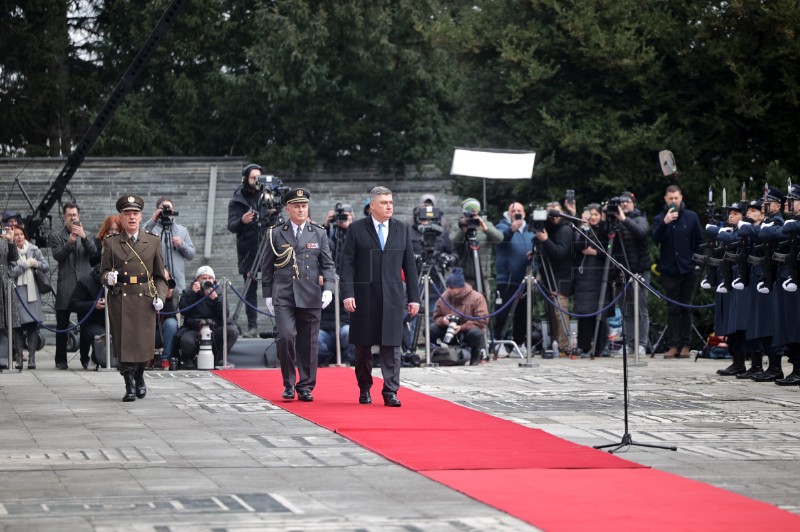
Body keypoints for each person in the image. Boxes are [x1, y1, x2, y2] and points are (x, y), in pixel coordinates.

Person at [340, 186, 420, 407]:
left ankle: (390, 391)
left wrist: (414, 298)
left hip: (393, 298)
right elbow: (346, 265)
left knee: (392, 346)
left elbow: (410, 266)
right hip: (364, 297)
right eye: (384, 203)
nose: (389, 206)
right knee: (363, 347)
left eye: (391, 202)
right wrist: (348, 293)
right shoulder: (356, 229)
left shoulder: (402, 229)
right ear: (372, 205)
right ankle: (364, 388)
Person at [262, 188, 335, 402]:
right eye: (296, 206)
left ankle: (305, 385)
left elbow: (328, 265)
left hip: (311, 293)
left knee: (309, 343)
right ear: (288, 208)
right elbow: (267, 268)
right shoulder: (275, 233)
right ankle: (288, 382)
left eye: (304, 206)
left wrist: (329, 288)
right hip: (284, 294)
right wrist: (268, 294)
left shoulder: (318, 232)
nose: (301, 209)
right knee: (286, 337)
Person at [102, 195, 168, 402]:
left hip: (144, 298)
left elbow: (160, 275)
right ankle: (129, 384)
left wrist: (160, 296)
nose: (131, 217)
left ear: (141, 217)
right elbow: (103, 272)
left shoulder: (153, 241)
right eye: (127, 213)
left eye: (135, 213)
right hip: (121, 297)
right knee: (124, 343)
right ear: (121, 218)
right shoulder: (111, 242)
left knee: (142, 343)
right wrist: (108, 278)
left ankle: (140, 377)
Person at [652, 185, 703, 358]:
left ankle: (686, 345)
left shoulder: (691, 217)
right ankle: (673, 345)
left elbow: (699, 242)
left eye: (676, 198)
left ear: (681, 198)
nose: (674, 201)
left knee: (686, 307)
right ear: (666, 199)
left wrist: (697, 265)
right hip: (669, 270)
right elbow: (655, 239)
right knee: (672, 308)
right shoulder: (660, 218)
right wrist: (665, 222)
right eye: (670, 198)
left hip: (689, 269)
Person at [49, 202, 98, 369]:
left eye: (75, 215)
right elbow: (58, 256)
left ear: (79, 216)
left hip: (84, 287)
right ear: (64, 217)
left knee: (85, 325)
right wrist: (70, 242)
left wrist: (83, 237)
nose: (72, 218)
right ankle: (60, 360)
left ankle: (85, 358)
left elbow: (93, 253)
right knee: (62, 325)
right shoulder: (57, 236)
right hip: (66, 285)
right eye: (69, 215)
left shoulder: (88, 235)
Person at [69, 215, 121, 369]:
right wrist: (94, 305)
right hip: (92, 318)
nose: (113, 233)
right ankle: (89, 357)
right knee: (95, 333)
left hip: (113, 317)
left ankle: (105, 357)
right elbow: (74, 303)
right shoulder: (87, 280)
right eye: (110, 230)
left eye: (116, 230)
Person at [608, 191, 651, 356]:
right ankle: (629, 343)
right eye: (622, 202)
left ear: (634, 204)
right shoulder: (615, 221)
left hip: (639, 270)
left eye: (628, 201)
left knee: (640, 308)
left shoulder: (639, 218)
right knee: (626, 309)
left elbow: (641, 233)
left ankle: (642, 343)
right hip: (621, 272)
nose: (625, 204)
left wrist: (624, 219)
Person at [228, 163, 266, 337]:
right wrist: (242, 220)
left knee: (274, 285)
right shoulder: (237, 200)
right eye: (253, 177)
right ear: (245, 179)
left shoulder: (267, 196)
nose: (256, 181)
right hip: (248, 249)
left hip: (267, 246)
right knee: (250, 288)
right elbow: (231, 226)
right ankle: (253, 326)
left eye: (258, 177)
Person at [494, 201, 535, 354]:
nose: (517, 213)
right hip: (507, 278)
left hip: (525, 278)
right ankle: (499, 342)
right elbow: (501, 239)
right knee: (503, 313)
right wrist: (512, 229)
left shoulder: (531, 230)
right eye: (513, 211)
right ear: (509, 213)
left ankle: (520, 343)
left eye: (519, 210)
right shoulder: (502, 227)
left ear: (524, 213)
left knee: (523, 314)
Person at [178, 266, 239, 368]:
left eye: (209, 278)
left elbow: (225, 315)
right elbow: (183, 311)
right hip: (194, 328)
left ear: (214, 280)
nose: (207, 281)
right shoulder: (188, 291)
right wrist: (192, 294)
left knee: (232, 331)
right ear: (197, 279)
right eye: (203, 278)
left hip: (214, 328)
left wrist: (216, 299)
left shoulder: (219, 292)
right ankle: (189, 359)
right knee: (186, 341)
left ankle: (219, 358)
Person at [535, 201, 574, 356]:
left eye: (556, 212)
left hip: (562, 277)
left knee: (560, 312)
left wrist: (545, 240)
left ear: (562, 212)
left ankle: (565, 346)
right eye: (550, 213)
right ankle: (556, 343)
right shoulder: (549, 228)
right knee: (552, 313)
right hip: (550, 276)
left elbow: (560, 253)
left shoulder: (565, 229)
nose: (553, 216)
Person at [572, 204, 611, 358]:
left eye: (596, 214)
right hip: (584, 277)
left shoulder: (605, 230)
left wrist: (594, 252)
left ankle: (601, 346)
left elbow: (609, 251)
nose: (594, 217)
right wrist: (584, 228)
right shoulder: (581, 229)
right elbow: (578, 246)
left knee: (601, 314)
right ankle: (584, 346)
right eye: (591, 214)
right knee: (585, 314)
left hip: (601, 276)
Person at [430, 268, 489, 365]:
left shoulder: (477, 298)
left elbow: (482, 320)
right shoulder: (444, 297)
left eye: (452, 287)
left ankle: (475, 356)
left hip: (468, 331)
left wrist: (462, 327)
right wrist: (443, 320)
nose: (449, 290)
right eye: (448, 286)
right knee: (431, 330)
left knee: (476, 333)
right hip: (449, 330)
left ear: (461, 287)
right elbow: (437, 316)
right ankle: (442, 354)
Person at [10, 226, 49, 370]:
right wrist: (26, 265)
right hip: (17, 292)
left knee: (33, 327)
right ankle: (19, 358)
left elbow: (45, 266)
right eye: (16, 235)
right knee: (18, 327)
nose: (19, 237)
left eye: (21, 234)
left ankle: (32, 358)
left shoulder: (34, 249)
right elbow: (11, 272)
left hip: (32, 294)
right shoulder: (9, 252)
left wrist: (36, 263)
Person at [143, 196, 196, 298]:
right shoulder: (151, 229)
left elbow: (191, 255)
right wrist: (153, 219)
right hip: (155, 286)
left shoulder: (182, 230)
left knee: (175, 314)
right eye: (163, 208)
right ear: (157, 210)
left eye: (169, 208)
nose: (167, 210)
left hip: (177, 286)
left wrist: (182, 244)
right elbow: (139, 237)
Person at [450, 198, 503, 299]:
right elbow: (451, 243)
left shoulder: (486, 224)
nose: (473, 216)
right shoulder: (458, 226)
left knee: (483, 307)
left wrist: (486, 229)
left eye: (475, 212)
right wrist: (463, 231)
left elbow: (499, 239)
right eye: (470, 212)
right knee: (463, 307)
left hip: (483, 277)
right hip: (464, 276)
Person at [0, 223, 21, 370]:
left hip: (4, 286)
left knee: (5, 324)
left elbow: (14, 258)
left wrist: (11, 241)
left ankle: (3, 358)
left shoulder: (5, 239)